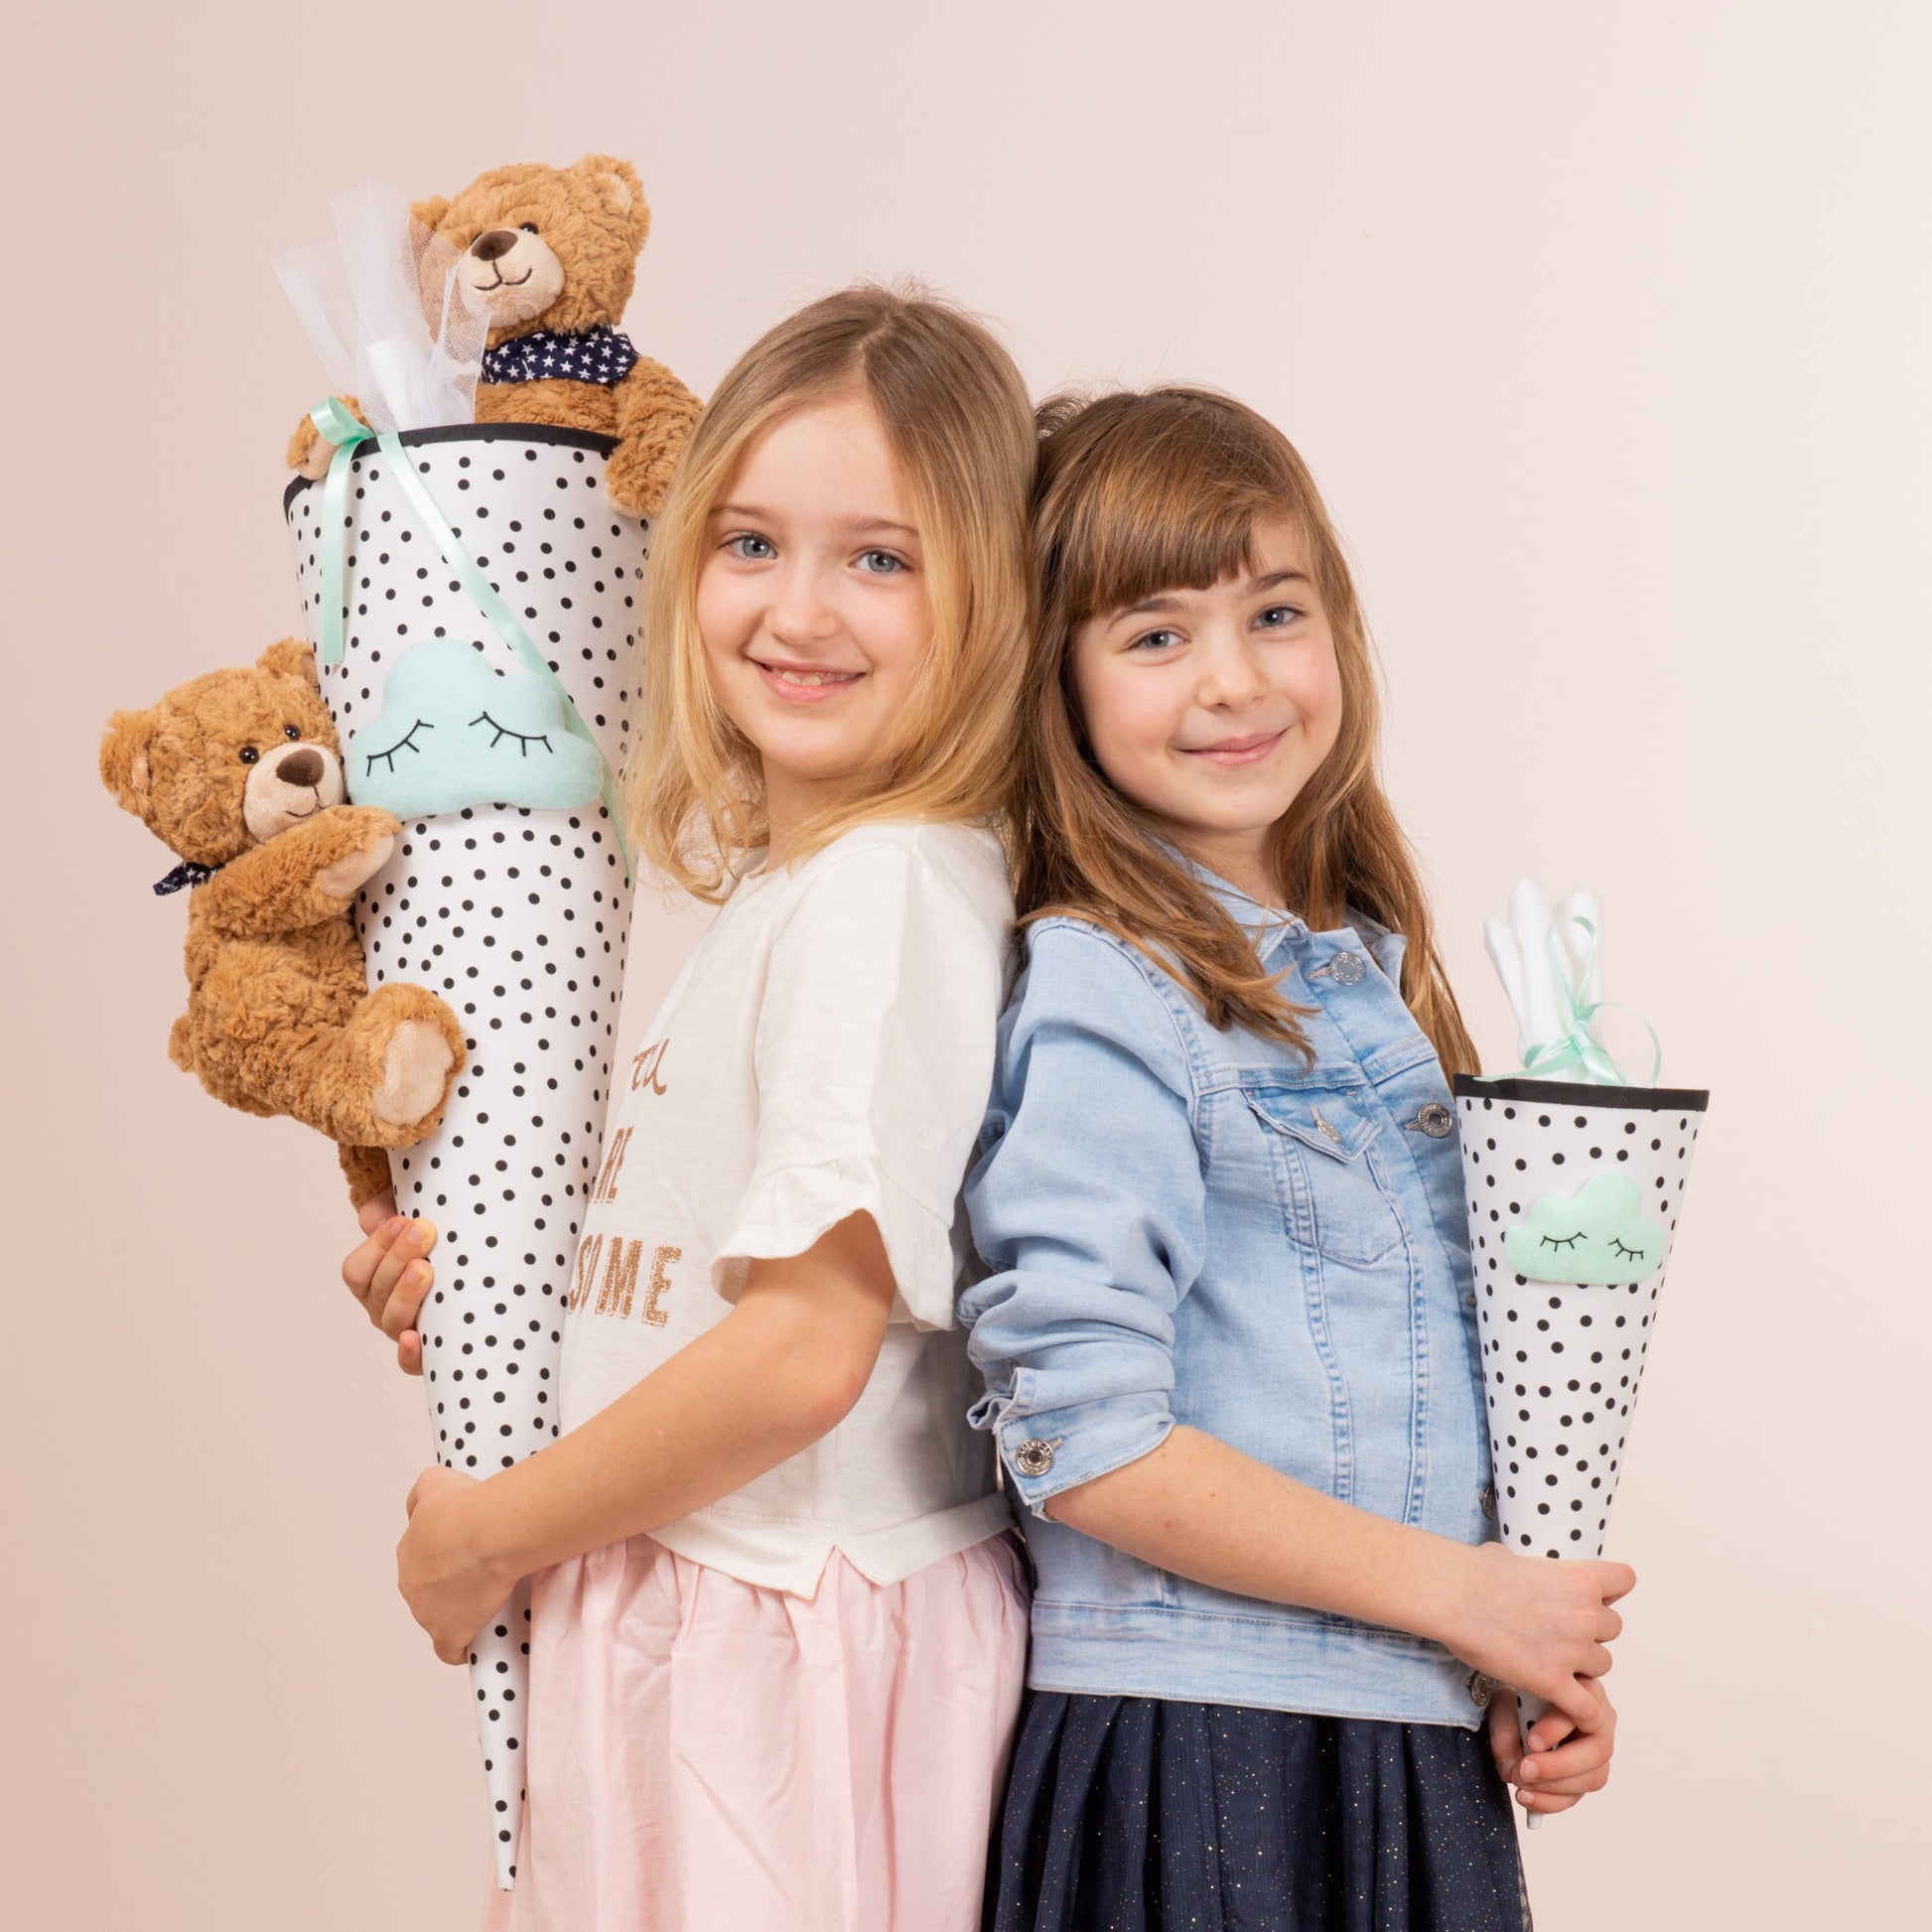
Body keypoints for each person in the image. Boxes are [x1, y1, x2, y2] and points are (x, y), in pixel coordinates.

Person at [344, 286, 1036, 1931]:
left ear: (993, 595)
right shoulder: (804, 890)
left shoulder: (880, 893)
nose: (799, 609)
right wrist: (509, 1300)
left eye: (881, 558)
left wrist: (486, 1538)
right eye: (750, 541)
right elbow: (702, 1291)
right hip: (694, 1595)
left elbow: (801, 1353)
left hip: (772, 1634)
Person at [960, 387, 1631, 1931]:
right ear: (1055, 682)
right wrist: (1461, 1597)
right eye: (1153, 634)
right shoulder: (1108, 988)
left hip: (1387, 1742)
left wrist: (1506, 1647)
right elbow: (1083, 1435)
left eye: (1273, 611)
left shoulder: (1360, 983)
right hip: (1202, 1752)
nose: (1233, 678)